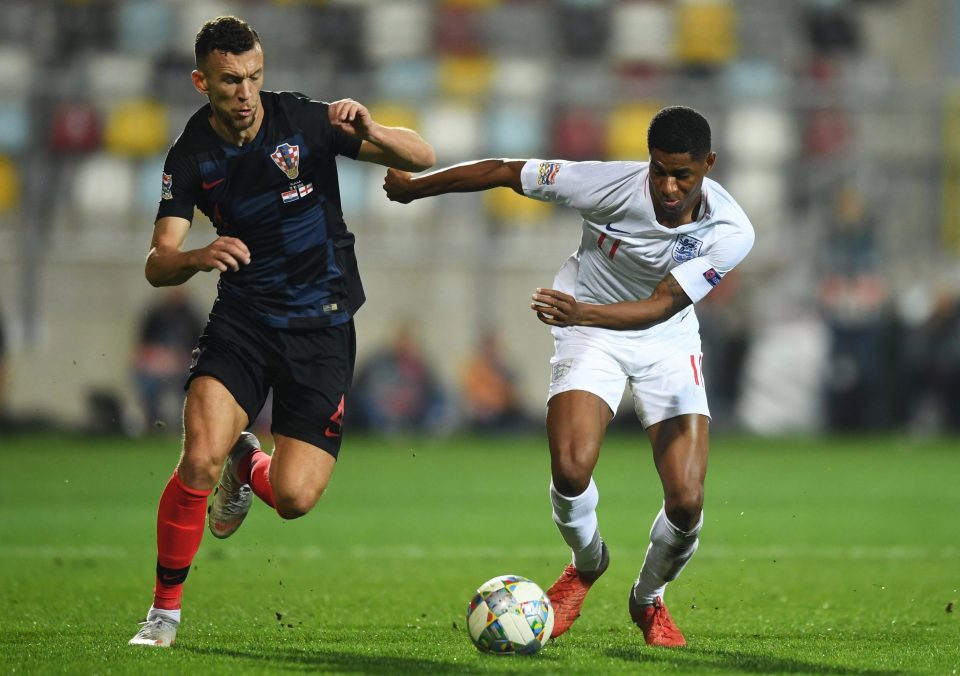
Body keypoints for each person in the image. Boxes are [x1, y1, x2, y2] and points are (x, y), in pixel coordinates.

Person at [383, 106, 754, 647]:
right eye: (659, 171)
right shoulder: (603, 184)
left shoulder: (731, 229)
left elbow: (661, 305)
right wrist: (419, 188)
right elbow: (506, 171)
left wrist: (579, 312)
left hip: (665, 340)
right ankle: (586, 563)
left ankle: (648, 598)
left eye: (684, 175)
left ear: (709, 166)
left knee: (687, 499)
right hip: (592, 336)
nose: (669, 187)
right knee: (571, 467)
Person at [129, 16, 434, 648]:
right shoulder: (191, 155)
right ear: (201, 80)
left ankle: (250, 460)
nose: (245, 93)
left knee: (294, 497)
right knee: (198, 457)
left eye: (253, 77)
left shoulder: (305, 121)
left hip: (323, 327)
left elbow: (423, 158)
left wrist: (373, 129)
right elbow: (159, 260)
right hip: (243, 320)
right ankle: (163, 613)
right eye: (230, 81)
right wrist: (196, 256)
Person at [132, 288, 204, 434]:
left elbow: (200, 348)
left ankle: (184, 427)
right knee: (147, 384)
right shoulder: (155, 314)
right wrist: (158, 359)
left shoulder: (192, 316)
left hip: (184, 367)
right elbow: (143, 347)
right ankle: (153, 425)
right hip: (156, 368)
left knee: (189, 385)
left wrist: (178, 359)